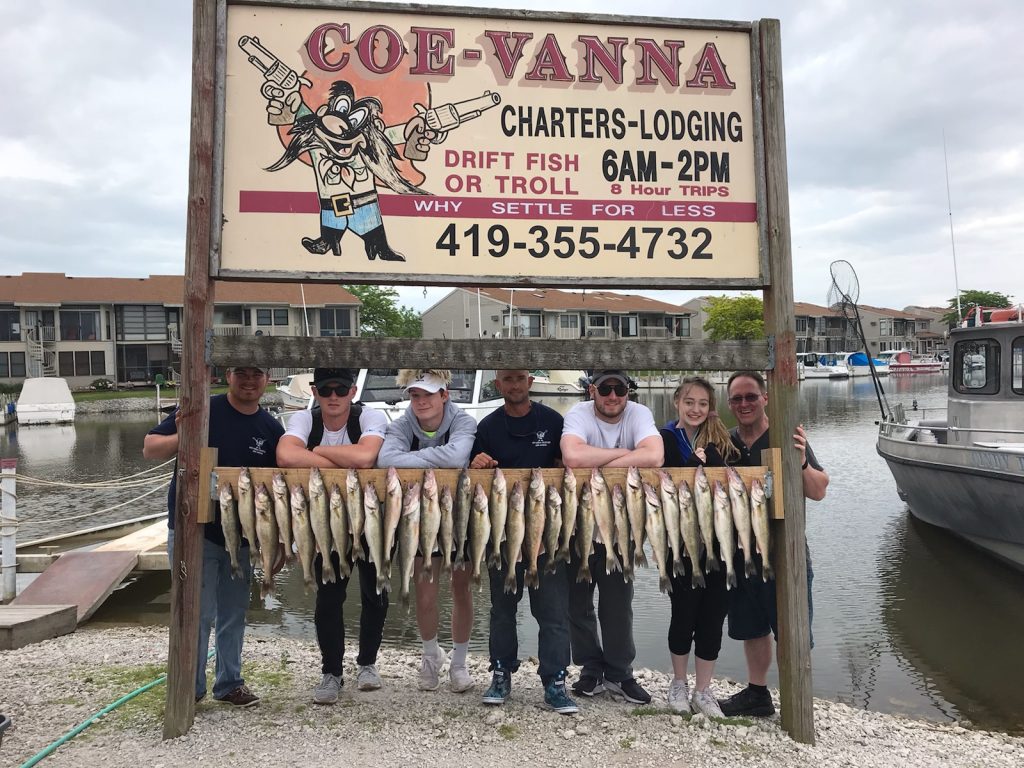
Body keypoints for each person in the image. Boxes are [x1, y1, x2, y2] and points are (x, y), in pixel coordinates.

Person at [143, 366, 284, 707]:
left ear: (267, 379)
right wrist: (187, 436)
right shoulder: (203, 410)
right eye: (242, 373)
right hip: (195, 532)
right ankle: (188, 688)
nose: (249, 381)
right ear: (228, 376)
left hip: (243, 538)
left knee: (234, 613)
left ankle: (229, 683)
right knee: (195, 613)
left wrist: (277, 541)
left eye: (257, 374)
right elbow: (151, 447)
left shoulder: (271, 428)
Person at [719, 370, 829, 717]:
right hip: (740, 555)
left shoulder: (786, 435)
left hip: (785, 555)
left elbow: (819, 489)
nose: (744, 403)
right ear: (729, 404)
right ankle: (757, 693)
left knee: (792, 631)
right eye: (737, 398)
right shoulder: (726, 443)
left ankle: (798, 699)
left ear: (765, 398)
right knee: (752, 629)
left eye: (751, 396)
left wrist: (799, 464)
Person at [276, 367, 388, 705]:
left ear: (353, 391)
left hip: (371, 520)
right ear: (314, 391)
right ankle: (331, 672)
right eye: (326, 391)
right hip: (325, 523)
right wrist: (344, 462)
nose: (334, 397)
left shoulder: (371, 415)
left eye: (341, 389)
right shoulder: (303, 421)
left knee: (376, 593)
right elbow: (284, 455)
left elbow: (367, 457)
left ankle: (367, 663)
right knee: (328, 599)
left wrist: (314, 458)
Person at [470, 369, 577, 714]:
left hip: (548, 531)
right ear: (497, 384)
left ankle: (555, 680)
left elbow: (567, 466)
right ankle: (501, 672)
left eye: (520, 379)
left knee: (554, 613)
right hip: (503, 533)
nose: (514, 385)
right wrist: (477, 464)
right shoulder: (486, 428)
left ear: (530, 383)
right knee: (502, 610)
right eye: (507, 379)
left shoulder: (553, 421)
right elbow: (474, 478)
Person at [560, 369, 664, 705]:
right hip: (579, 523)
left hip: (623, 526)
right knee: (577, 604)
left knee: (618, 604)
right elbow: (572, 457)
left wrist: (598, 463)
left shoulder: (639, 413)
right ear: (593, 391)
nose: (613, 395)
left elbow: (655, 455)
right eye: (606, 388)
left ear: (629, 392)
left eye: (621, 389)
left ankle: (620, 672)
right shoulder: (577, 413)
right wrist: (624, 459)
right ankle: (591, 668)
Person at [376, 369, 477, 692]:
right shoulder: (402, 424)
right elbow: (385, 459)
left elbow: (459, 454)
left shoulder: (463, 421)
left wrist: (411, 460)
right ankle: (431, 655)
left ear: (444, 395)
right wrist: (439, 462)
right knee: (425, 593)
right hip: (417, 517)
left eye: (428, 395)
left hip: (460, 515)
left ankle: (459, 663)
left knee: (462, 589)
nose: (420, 401)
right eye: (415, 395)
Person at [659, 376, 740, 718]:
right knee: (683, 614)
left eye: (703, 404)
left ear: (712, 408)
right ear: (677, 402)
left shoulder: (723, 440)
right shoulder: (662, 438)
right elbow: (656, 475)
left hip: (720, 542)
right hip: (679, 542)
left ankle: (703, 690)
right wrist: (689, 468)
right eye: (689, 402)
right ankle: (678, 682)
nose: (696, 409)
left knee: (713, 617)